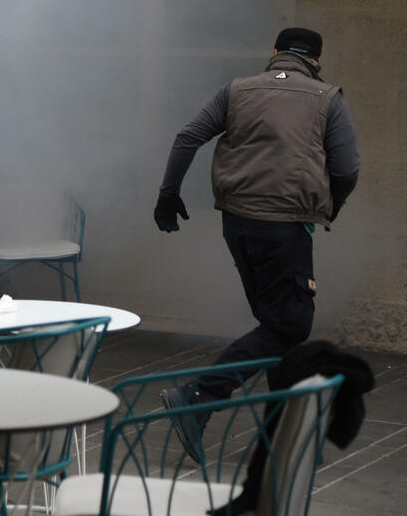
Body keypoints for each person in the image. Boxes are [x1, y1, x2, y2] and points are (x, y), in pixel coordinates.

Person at [153, 27, 359, 461]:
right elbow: (347, 168)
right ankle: (198, 398)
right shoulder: (327, 98)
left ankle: (284, 435)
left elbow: (187, 137)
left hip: (238, 223)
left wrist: (168, 194)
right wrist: (329, 208)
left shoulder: (236, 91)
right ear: (317, 61)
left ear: (274, 53)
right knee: (289, 326)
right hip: (284, 226)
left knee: (276, 325)